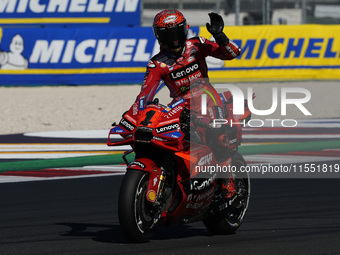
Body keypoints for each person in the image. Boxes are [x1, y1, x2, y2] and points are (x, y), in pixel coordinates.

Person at [127, 9, 242, 200]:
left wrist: (219, 36)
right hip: (181, 105)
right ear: (158, 36)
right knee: (166, 138)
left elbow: (233, 53)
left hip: (208, 99)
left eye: (177, 33)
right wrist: (135, 118)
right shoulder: (158, 64)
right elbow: (144, 96)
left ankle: (227, 179)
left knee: (218, 134)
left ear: (185, 29)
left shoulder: (198, 45)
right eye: (167, 35)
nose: (174, 40)